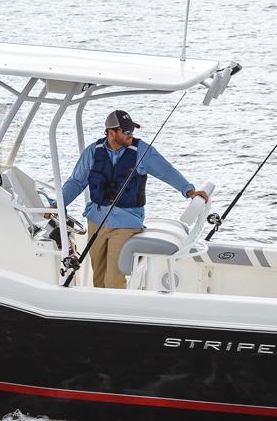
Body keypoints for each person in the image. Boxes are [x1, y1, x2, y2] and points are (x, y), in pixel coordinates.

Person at [58, 109, 210, 289]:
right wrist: (57, 205)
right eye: (126, 131)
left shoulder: (142, 151)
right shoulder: (92, 151)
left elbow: (166, 171)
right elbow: (76, 182)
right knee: (98, 277)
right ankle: (101, 312)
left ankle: (115, 313)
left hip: (126, 222)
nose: (131, 135)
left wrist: (189, 190)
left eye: (132, 131)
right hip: (96, 220)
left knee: (113, 280)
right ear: (111, 132)